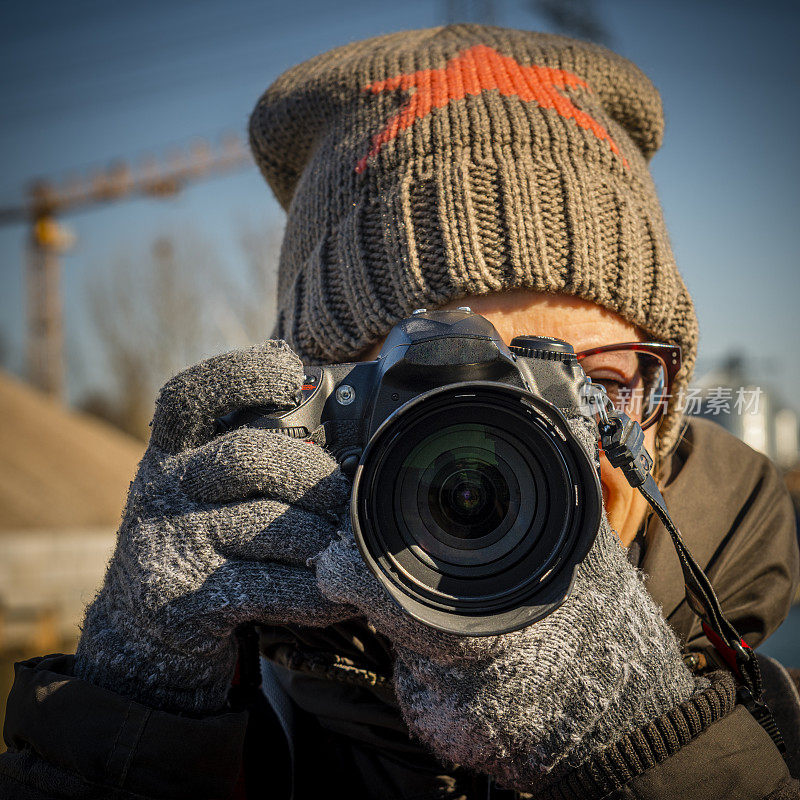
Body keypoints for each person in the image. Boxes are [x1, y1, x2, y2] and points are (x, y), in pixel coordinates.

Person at [2, 25, 799, 800]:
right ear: (320, 412)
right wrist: (137, 718)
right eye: (448, 394)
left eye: (593, 384)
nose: (548, 438)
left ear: (657, 413)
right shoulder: (238, 708)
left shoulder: (779, 726)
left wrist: (644, 747)